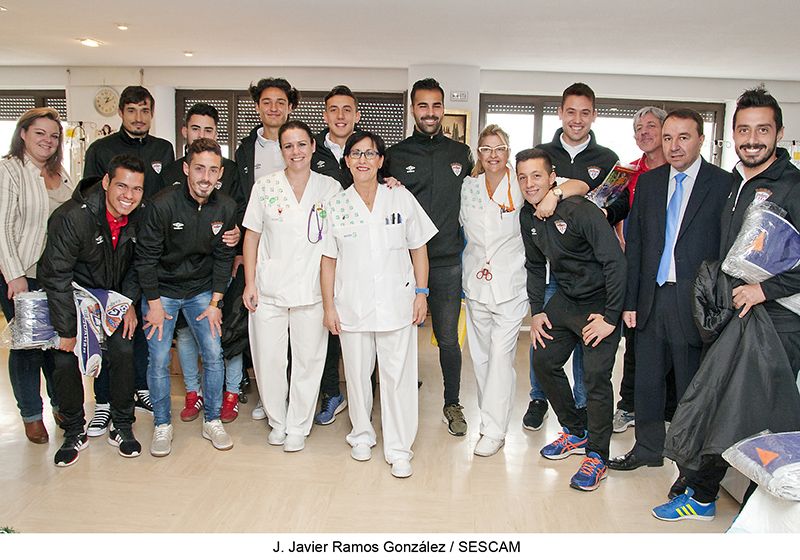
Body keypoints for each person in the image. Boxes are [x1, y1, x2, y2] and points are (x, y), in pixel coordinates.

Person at [652, 87, 800, 522]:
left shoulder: (792, 188)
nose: (752, 138)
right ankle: (702, 493)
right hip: (737, 318)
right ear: (732, 134)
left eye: (762, 129)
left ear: (779, 133)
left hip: (778, 323)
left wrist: (764, 290)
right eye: (743, 129)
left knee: (760, 418)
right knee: (720, 406)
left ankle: (759, 515)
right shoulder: (738, 183)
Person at [608, 109, 731, 475]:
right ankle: (646, 448)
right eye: (668, 138)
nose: (674, 146)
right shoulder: (649, 183)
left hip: (695, 302)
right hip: (651, 298)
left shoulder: (723, 184)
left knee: (691, 384)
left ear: (701, 139)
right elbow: (638, 246)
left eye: (683, 137)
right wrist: (629, 302)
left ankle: (690, 458)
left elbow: (726, 249)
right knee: (646, 380)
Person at [321, 131, 437, 478]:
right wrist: (329, 307)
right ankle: (361, 434)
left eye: (370, 153)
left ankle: (399, 447)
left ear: (381, 160)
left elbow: (419, 248)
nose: (362, 160)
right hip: (352, 305)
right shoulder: (337, 205)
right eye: (355, 154)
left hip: (397, 302)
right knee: (356, 376)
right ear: (347, 161)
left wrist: (421, 292)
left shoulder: (400, 197)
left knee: (398, 377)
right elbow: (328, 260)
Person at [520, 148, 626, 491]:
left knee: (596, 378)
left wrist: (611, 318)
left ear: (553, 178)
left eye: (537, 175)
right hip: (567, 299)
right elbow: (536, 266)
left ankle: (597, 455)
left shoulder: (580, 210)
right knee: (544, 359)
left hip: (601, 302)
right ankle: (576, 431)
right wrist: (537, 312)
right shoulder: (528, 217)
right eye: (522, 177)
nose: (529, 183)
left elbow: (615, 262)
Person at [523, 83, 623, 431]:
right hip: (554, 278)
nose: (577, 119)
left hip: (589, 273)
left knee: (588, 349)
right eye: (570, 111)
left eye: (585, 112)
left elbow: (617, 200)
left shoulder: (607, 158)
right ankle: (540, 399)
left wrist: (599, 217)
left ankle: (584, 409)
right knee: (544, 344)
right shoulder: (541, 152)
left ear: (593, 115)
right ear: (560, 113)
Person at [39, 154, 146, 466]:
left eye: (137, 189)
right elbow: (56, 275)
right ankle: (73, 431)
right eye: (122, 186)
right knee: (63, 357)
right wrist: (66, 331)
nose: (129, 195)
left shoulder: (140, 216)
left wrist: (125, 303)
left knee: (124, 349)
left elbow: (140, 265)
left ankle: (122, 425)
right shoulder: (72, 217)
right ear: (106, 183)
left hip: (112, 298)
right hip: (71, 297)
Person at [242, 120, 341, 451]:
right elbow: (252, 235)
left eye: (301, 144)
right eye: (288, 146)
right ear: (280, 150)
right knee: (269, 360)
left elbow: (342, 239)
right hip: (269, 289)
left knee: (309, 361)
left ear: (313, 146)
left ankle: (298, 424)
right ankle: (277, 420)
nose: (296, 151)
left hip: (312, 290)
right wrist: (250, 282)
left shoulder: (330, 188)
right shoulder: (265, 186)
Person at [136, 138, 237, 456]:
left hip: (201, 291)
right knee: (160, 358)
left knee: (213, 353)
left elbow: (223, 259)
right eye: (199, 169)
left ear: (220, 173)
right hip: (161, 292)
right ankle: (162, 425)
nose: (205, 177)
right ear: (185, 169)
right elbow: (146, 258)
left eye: (212, 170)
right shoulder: (161, 204)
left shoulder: (226, 207)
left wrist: (215, 302)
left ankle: (212, 420)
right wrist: (152, 303)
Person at [82, 85, 175, 430]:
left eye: (145, 111)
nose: (139, 117)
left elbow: (167, 195)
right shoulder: (101, 149)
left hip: (145, 247)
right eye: (132, 110)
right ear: (121, 112)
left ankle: (139, 387)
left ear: (152, 113)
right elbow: (91, 196)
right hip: (105, 247)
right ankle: (104, 400)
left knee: (137, 325)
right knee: (106, 329)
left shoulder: (162, 149)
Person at [384, 78, 473, 437]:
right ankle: (400, 394)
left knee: (448, 338)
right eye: (423, 105)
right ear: (413, 109)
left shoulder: (461, 154)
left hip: (448, 262)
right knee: (401, 335)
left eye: (436, 105)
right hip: (404, 263)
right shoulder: (395, 155)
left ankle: (452, 403)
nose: (431, 113)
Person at [161, 103, 246, 423]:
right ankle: (193, 392)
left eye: (208, 130)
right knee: (185, 335)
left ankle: (231, 393)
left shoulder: (231, 169)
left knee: (228, 331)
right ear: (185, 131)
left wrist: (237, 238)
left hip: (224, 265)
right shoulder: (171, 171)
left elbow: (238, 212)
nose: (201, 134)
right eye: (196, 128)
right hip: (180, 274)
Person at [0, 107, 73, 444]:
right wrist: (14, 275)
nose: (48, 140)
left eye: (54, 135)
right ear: (24, 133)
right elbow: (1, 228)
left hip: (57, 276)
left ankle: (61, 405)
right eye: (40, 133)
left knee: (56, 346)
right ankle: (31, 414)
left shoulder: (62, 174)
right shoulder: (10, 170)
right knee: (28, 347)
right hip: (23, 274)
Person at [458, 125, 529, 456]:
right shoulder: (469, 186)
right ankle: (491, 421)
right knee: (483, 358)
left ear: (508, 151)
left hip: (511, 283)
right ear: (479, 153)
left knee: (500, 357)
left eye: (498, 148)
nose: (492, 155)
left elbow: (563, 188)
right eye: (485, 149)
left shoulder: (522, 183)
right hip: (476, 282)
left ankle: (495, 430)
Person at [235, 77, 298, 421]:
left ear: (290, 106)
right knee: (265, 334)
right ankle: (270, 397)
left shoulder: (301, 142)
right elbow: (239, 199)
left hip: (300, 253)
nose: (273, 108)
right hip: (261, 247)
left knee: (299, 339)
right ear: (258, 106)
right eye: (267, 102)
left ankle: (296, 399)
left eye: (280, 102)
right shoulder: (247, 150)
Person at [613, 106, 669, 434]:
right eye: (639, 128)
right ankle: (628, 405)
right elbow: (605, 209)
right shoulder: (626, 172)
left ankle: (669, 410)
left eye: (651, 125)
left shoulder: (681, 171)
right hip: (636, 270)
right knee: (634, 340)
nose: (644, 132)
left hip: (674, 270)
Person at [310, 85, 362, 425]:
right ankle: (332, 393)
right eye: (333, 109)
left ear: (357, 116)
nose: (340, 116)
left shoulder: (366, 149)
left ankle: (367, 394)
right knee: (328, 325)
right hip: (324, 250)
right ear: (325, 114)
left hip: (361, 252)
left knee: (363, 323)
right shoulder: (312, 150)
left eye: (347, 110)